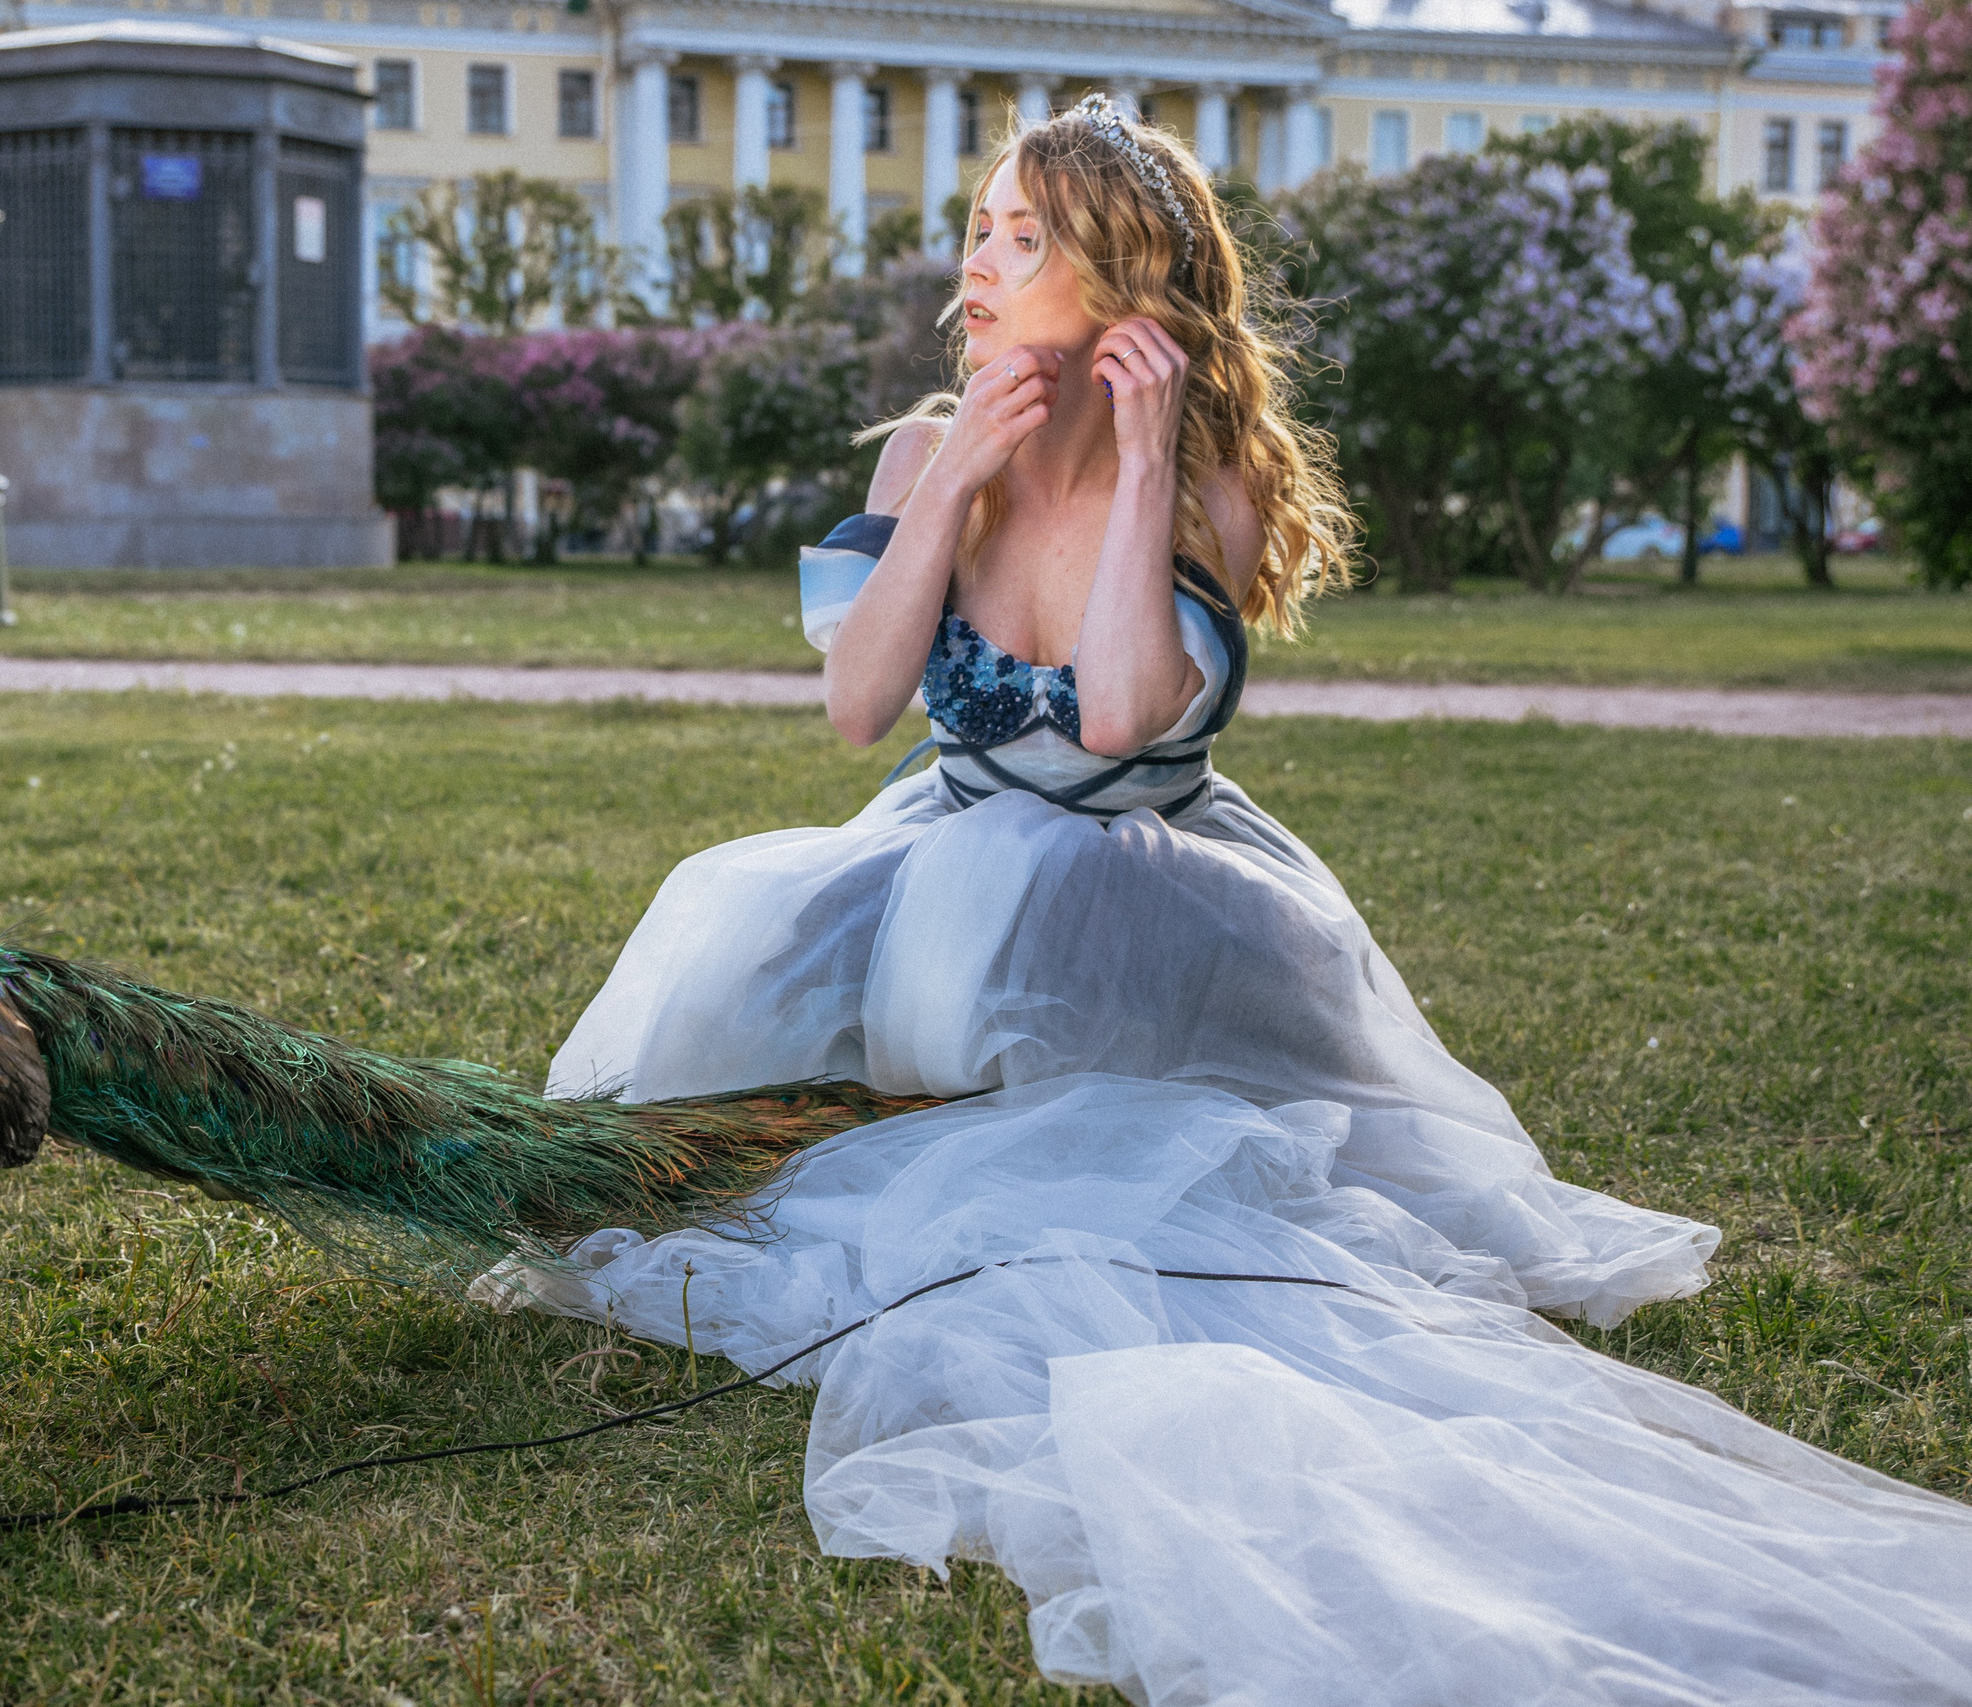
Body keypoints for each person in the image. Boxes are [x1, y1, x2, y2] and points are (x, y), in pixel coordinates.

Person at [485, 97, 1972, 1704]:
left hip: (1145, 892)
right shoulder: (931, 449)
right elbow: (858, 707)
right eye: (978, 226)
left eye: (1025, 236)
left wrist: (1134, 467)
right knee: (757, 940)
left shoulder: (1206, 485)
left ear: (1122, 281)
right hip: (948, 837)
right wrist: (960, 467)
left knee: (1015, 941)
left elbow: (1120, 720)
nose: (978, 262)